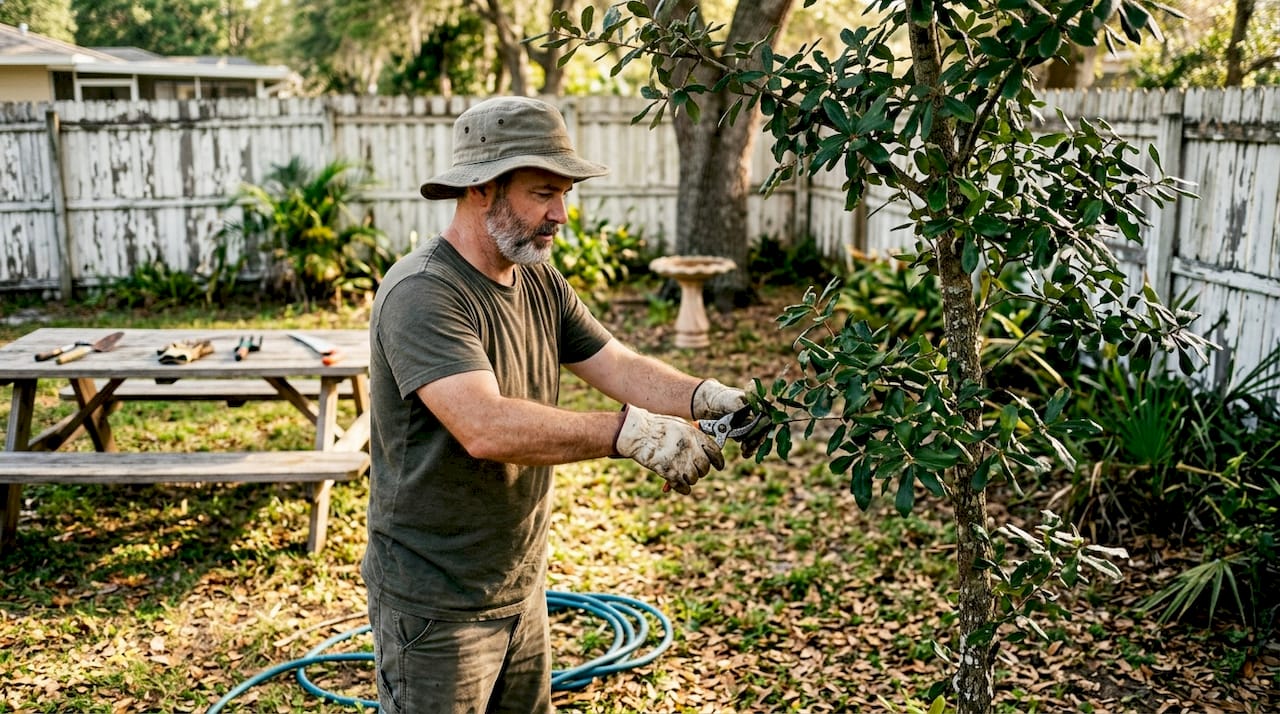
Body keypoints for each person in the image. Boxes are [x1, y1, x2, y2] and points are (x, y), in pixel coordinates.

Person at [362, 96, 748, 714]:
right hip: (435, 604)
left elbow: (616, 364)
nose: (561, 214)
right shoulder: (422, 293)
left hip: (520, 586)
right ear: (483, 188)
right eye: (544, 192)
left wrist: (701, 397)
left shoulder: (537, 277)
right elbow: (484, 426)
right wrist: (629, 435)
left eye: (564, 193)